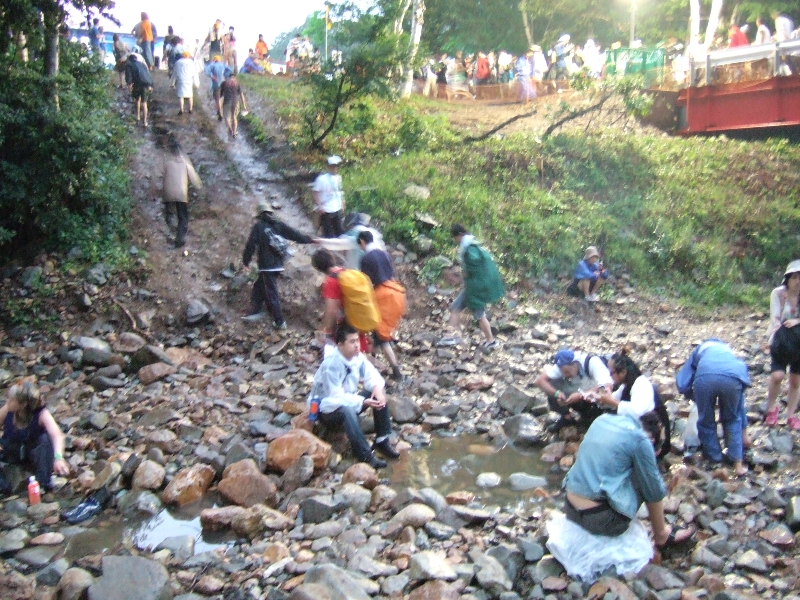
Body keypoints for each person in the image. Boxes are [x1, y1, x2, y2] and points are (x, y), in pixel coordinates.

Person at [559, 412, 695, 547]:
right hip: (599, 521)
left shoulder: (602, 420)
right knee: (646, 476)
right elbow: (654, 491)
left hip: (570, 510)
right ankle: (661, 535)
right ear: (653, 441)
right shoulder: (640, 440)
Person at [308, 322, 400, 469]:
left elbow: (372, 374)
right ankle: (364, 454)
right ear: (340, 345)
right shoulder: (330, 365)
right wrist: (363, 402)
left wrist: (377, 389)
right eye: (352, 342)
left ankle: (382, 440)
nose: (357, 345)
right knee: (346, 410)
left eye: (357, 340)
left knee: (378, 392)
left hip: (348, 400)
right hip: (326, 409)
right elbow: (335, 396)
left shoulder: (357, 357)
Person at [676, 339, 749, 476]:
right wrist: (745, 432)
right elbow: (740, 403)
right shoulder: (728, 352)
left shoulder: (699, 351)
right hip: (734, 377)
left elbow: (682, 383)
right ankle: (737, 464)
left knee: (706, 421)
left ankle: (715, 460)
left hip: (705, 378)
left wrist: (695, 398)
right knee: (732, 419)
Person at [242, 202, 317, 327]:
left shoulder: (258, 227)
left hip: (266, 266)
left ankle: (280, 321)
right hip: (278, 264)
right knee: (259, 286)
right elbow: (294, 234)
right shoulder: (278, 224)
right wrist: (310, 239)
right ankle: (255, 310)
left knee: (271, 293)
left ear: (259, 215)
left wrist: (246, 261)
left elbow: (251, 245)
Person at [593, 350, 671, 458]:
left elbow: (637, 411)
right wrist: (598, 397)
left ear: (623, 372)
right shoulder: (626, 385)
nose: (610, 376)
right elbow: (614, 398)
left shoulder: (641, 384)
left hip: (653, 436)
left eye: (612, 373)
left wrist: (611, 402)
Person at [438, 224, 504, 349]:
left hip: (474, 289)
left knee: (479, 315)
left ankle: (490, 340)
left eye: (455, 237)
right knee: (455, 307)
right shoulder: (473, 245)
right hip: (472, 287)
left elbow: (473, 265)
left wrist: (466, 273)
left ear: (460, 235)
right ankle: (451, 336)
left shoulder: (469, 249)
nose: (455, 240)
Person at [0, 382, 70, 494]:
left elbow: (57, 435)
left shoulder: (41, 414)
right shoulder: (7, 410)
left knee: (45, 438)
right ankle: (3, 486)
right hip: (11, 451)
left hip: (33, 453)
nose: (8, 402)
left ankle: (43, 483)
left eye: (12, 400)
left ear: (23, 405)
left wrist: (58, 458)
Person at [358, 230, 406, 381]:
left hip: (381, 295)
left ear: (362, 242)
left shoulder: (365, 258)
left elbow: (366, 283)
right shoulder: (384, 254)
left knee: (381, 336)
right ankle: (372, 362)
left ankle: (397, 372)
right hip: (396, 291)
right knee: (379, 331)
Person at [534, 348, 614, 431]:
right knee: (552, 383)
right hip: (581, 391)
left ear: (575, 363)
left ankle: (595, 417)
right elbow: (539, 381)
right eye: (562, 372)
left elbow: (607, 386)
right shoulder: (561, 366)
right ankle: (567, 417)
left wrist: (581, 395)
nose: (565, 374)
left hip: (600, 396)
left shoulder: (592, 362)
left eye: (567, 372)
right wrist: (557, 393)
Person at [763, 260, 800, 430]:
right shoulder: (778, 294)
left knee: (795, 380)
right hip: (781, 340)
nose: (798, 281)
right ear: (788, 279)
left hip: (798, 342)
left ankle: (791, 415)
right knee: (777, 376)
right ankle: (771, 409)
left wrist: (797, 321)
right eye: (795, 277)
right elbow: (775, 319)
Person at [162, 136, 202, 248]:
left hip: (168, 193)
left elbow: (158, 174)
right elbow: (194, 179)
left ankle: (170, 226)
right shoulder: (185, 163)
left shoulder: (167, 162)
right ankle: (179, 239)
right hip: (181, 194)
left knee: (169, 212)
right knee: (183, 217)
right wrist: (199, 187)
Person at [312, 156, 345, 238]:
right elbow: (314, 193)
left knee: (339, 232)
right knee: (328, 234)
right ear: (328, 167)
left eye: (336, 166)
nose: (334, 168)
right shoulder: (321, 179)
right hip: (326, 210)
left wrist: (342, 203)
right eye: (332, 166)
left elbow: (339, 191)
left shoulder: (338, 178)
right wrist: (319, 206)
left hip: (336, 208)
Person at [125, 53, 153, 127]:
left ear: (129, 59)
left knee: (137, 100)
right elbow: (147, 74)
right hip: (147, 84)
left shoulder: (129, 65)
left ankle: (137, 117)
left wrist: (129, 85)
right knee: (144, 103)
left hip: (137, 84)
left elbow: (129, 76)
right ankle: (145, 121)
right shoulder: (142, 64)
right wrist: (151, 85)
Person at [204, 55, 229, 120]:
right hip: (224, 83)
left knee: (217, 99)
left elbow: (206, 70)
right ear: (220, 60)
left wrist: (211, 76)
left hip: (216, 84)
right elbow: (229, 70)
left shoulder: (212, 65)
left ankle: (220, 114)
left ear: (214, 60)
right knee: (221, 98)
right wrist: (226, 77)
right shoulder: (223, 65)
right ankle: (221, 111)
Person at [221, 71, 242, 138]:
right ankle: (234, 133)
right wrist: (244, 105)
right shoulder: (237, 83)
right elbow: (241, 95)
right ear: (234, 77)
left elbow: (221, 95)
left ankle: (230, 130)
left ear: (228, 77)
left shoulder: (224, 83)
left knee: (227, 117)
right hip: (235, 102)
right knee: (234, 117)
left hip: (227, 102)